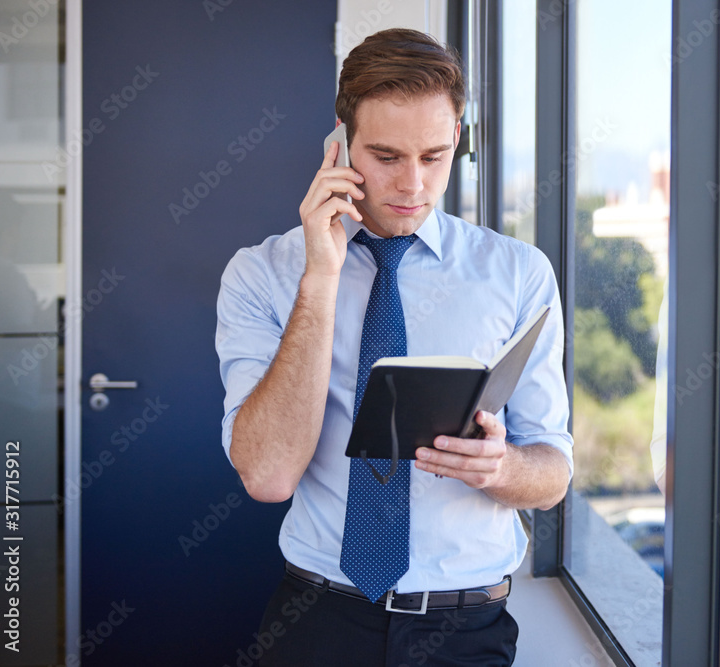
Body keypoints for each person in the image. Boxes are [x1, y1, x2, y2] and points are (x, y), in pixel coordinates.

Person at [215, 28, 573, 666]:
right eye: (385, 156)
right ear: (339, 141)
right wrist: (320, 279)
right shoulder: (261, 273)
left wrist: (502, 469)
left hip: (466, 630)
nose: (412, 184)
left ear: (457, 137)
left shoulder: (519, 273)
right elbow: (267, 475)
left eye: (433, 156)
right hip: (319, 622)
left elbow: (552, 474)